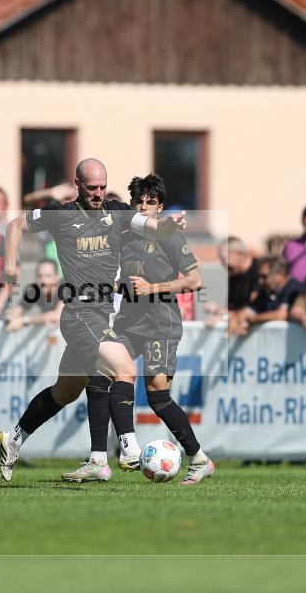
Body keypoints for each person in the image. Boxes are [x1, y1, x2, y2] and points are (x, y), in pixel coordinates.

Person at [0, 158, 187, 482]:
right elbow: (15, 225)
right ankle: (130, 449)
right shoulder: (60, 214)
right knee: (125, 368)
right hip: (79, 313)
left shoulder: (116, 211)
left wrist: (169, 224)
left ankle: (13, 440)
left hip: (99, 314)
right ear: (77, 184)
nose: (98, 193)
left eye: (102, 187)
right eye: (91, 187)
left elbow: (153, 226)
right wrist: (10, 266)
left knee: (65, 392)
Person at [61, 173, 213, 485]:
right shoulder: (124, 235)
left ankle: (199, 459)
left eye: (150, 202)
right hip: (128, 324)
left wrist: (153, 288)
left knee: (158, 398)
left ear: (160, 207)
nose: (143, 207)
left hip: (161, 326)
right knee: (99, 378)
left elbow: (195, 281)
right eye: (138, 202)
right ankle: (98, 459)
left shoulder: (170, 237)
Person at [4, 258, 63, 332]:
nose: (43, 280)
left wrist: (24, 321)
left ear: (57, 277)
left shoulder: (66, 287)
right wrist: (10, 316)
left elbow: (58, 316)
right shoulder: (34, 290)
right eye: (40, 276)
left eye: (48, 276)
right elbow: (19, 309)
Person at [220, 236, 261, 337]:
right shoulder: (234, 277)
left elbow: (258, 305)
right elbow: (231, 308)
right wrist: (218, 314)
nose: (224, 264)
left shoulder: (261, 271)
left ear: (239, 254)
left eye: (225, 258)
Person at [246, 255, 301, 326]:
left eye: (264, 276)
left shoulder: (294, 289)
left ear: (280, 274)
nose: (260, 281)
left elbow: (281, 315)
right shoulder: (266, 290)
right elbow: (248, 311)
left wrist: (253, 319)